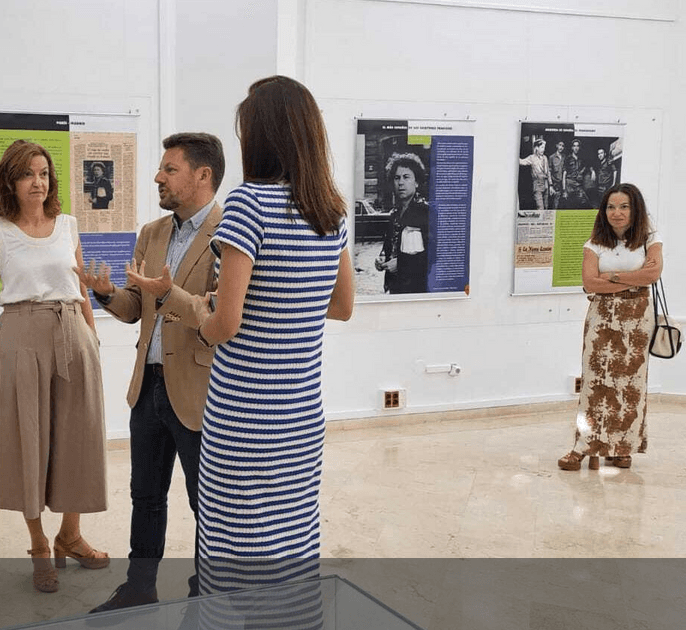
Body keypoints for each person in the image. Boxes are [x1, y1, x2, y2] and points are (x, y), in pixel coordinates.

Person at [194, 76, 354, 593]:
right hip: (301, 412)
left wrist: (202, 319)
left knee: (232, 544)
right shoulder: (329, 211)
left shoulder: (248, 204)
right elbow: (343, 306)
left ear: (260, 137)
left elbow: (227, 322)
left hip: (244, 412)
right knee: (291, 542)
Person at [75, 132, 225, 613]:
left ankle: (207, 593)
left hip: (199, 391)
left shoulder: (230, 234)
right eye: (161, 169)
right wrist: (104, 294)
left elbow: (216, 317)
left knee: (207, 506)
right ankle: (139, 587)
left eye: (170, 169)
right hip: (149, 386)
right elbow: (136, 306)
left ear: (203, 176)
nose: (159, 177)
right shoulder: (152, 233)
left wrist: (165, 293)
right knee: (145, 495)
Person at [0, 140, 108, 594]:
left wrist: (92, 337)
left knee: (79, 436)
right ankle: (37, 545)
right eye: (29, 174)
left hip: (74, 329)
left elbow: (81, 287)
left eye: (45, 173)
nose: (38, 182)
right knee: (28, 441)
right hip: (22, 335)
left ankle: (70, 535)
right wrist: (5, 350)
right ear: (10, 180)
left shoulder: (67, 225)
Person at [559, 183, 662, 471]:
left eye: (624, 206)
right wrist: (632, 277)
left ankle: (621, 448)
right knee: (595, 382)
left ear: (635, 209)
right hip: (602, 315)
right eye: (611, 207)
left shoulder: (650, 239)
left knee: (630, 385)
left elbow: (653, 274)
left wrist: (613, 277)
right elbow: (590, 283)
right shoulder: (594, 244)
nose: (617, 213)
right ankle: (584, 446)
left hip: (638, 317)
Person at [374, 153, 430, 294]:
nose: (400, 182)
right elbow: (390, 245)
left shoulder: (426, 212)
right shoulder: (394, 214)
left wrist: (401, 264)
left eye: (406, 177)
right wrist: (383, 259)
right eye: (397, 178)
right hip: (395, 287)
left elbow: (435, 256)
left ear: (417, 182)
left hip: (417, 289)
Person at [518, 139, 552, 210]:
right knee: (540, 208)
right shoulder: (532, 158)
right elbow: (521, 162)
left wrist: (550, 185)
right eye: (542, 147)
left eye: (544, 147)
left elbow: (548, 172)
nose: (543, 149)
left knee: (546, 207)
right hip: (537, 184)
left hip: (545, 185)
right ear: (537, 148)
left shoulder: (545, 158)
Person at [562, 139, 589, 208]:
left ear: (579, 147)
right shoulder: (568, 158)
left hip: (578, 184)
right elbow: (564, 174)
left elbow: (586, 167)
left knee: (583, 202)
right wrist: (564, 190)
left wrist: (591, 171)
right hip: (569, 185)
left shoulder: (581, 159)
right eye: (574, 146)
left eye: (577, 146)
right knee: (570, 205)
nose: (576, 148)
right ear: (572, 148)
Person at [548, 140, 566, 209]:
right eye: (560, 145)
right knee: (555, 205)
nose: (561, 147)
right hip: (555, 185)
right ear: (556, 146)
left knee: (562, 205)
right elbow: (549, 172)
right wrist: (551, 185)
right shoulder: (551, 157)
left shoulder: (564, 157)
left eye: (563, 146)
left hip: (563, 185)